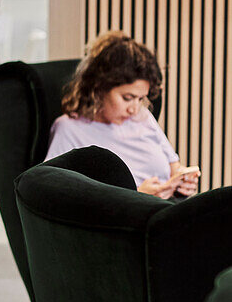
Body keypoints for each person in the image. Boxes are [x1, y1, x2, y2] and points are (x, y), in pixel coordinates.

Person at [45, 30, 200, 198]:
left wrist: (184, 182)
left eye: (140, 98)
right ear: (100, 87)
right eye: (128, 98)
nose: (134, 108)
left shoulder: (143, 117)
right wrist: (137, 195)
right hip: (128, 218)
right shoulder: (70, 128)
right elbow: (52, 191)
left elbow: (174, 168)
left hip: (169, 208)